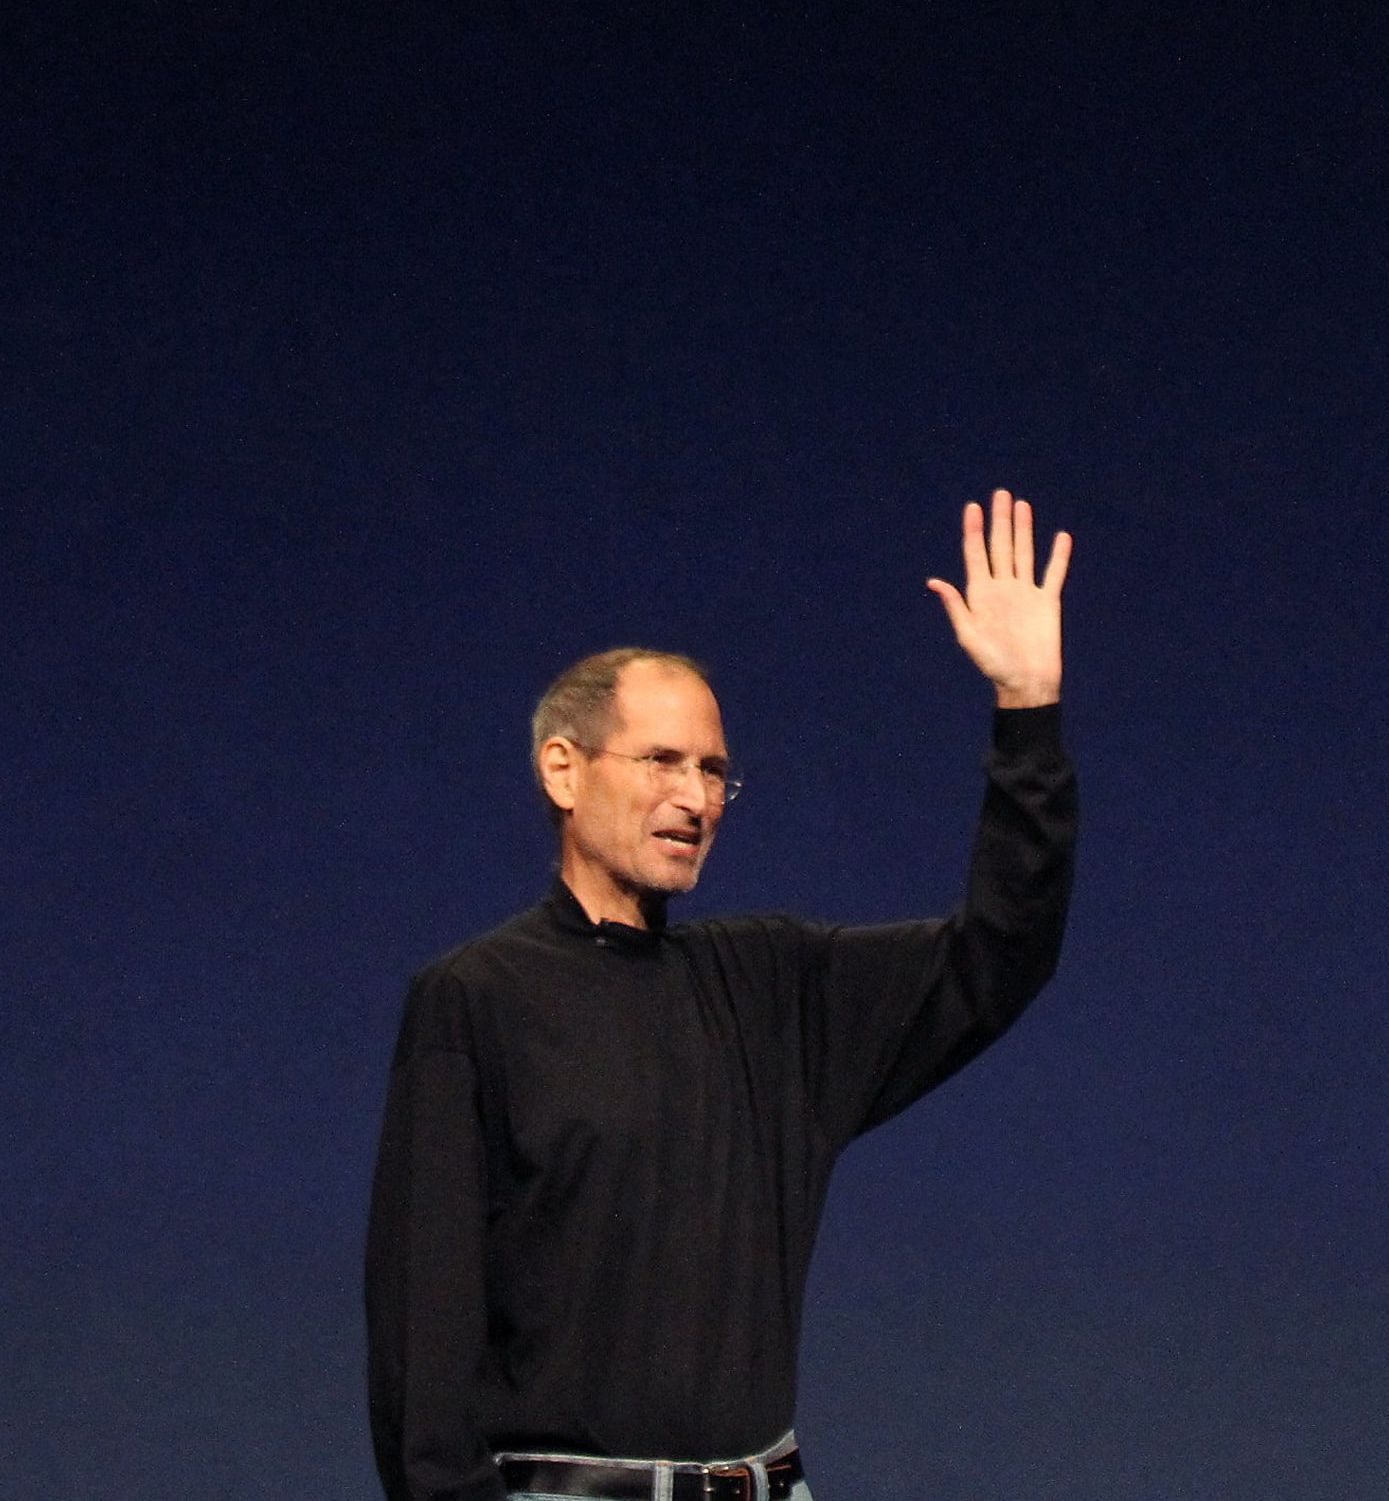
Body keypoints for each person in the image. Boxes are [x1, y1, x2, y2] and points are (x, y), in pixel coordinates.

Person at [365, 489, 1077, 1501]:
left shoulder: (775, 988)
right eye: (662, 759)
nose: (696, 797)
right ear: (563, 769)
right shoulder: (476, 997)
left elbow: (1003, 951)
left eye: (715, 772)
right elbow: (422, 1328)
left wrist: (1028, 713)